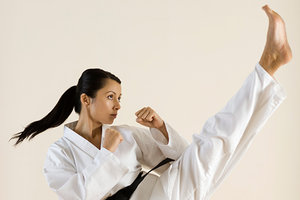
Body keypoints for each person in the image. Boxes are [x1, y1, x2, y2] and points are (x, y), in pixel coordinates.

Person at [11, 4, 292, 200]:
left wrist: (160, 129)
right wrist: (106, 154)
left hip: (160, 195)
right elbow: (81, 195)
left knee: (210, 147)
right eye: (111, 97)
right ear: (86, 99)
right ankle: (266, 72)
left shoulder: (124, 134)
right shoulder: (59, 154)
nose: (118, 106)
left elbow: (185, 159)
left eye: (120, 98)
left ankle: (267, 66)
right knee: (211, 163)